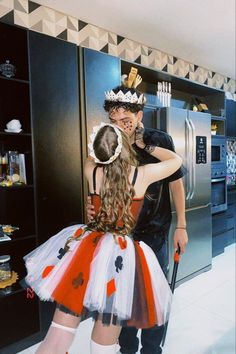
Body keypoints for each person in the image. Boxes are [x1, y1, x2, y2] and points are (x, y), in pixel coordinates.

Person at [24, 119, 182, 354]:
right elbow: (176, 161)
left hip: (87, 248)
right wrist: (144, 145)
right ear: (124, 148)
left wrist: (102, 146)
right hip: (120, 254)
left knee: (57, 337)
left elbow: (93, 156)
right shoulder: (142, 175)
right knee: (104, 342)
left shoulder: (92, 170)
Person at [87, 85, 188, 354]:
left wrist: (181, 225)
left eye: (126, 121)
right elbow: (97, 183)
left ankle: (152, 349)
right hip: (120, 238)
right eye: (114, 121)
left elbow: (176, 183)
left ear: (139, 116)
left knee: (153, 294)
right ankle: (127, 348)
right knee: (123, 294)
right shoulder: (109, 144)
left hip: (155, 234)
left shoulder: (160, 140)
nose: (120, 126)